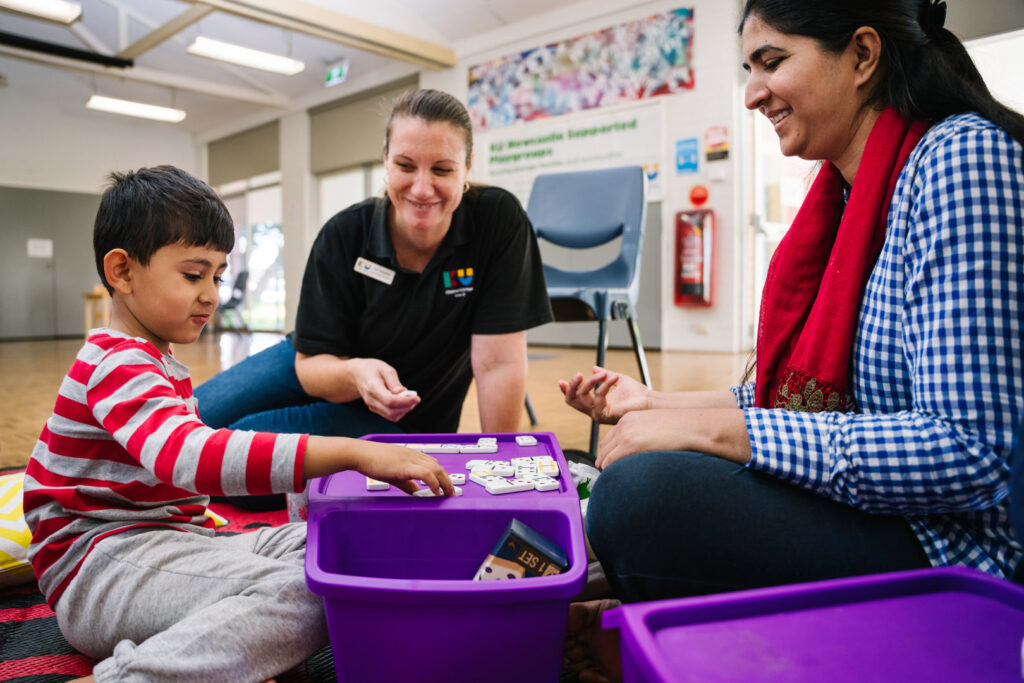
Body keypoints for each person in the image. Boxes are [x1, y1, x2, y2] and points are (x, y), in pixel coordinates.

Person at [562, 1, 1024, 679]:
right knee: (627, 484)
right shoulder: (843, 196)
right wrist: (655, 405)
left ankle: (659, 630)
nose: (752, 92)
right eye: (750, 68)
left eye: (772, 63)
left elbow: (970, 450)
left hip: (941, 544)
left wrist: (714, 436)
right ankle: (652, 625)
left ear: (864, 56)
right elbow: (784, 394)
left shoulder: (960, 160)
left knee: (640, 496)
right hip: (868, 508)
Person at [22, 166, 455, 682]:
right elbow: (193, 458)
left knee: (336, 549)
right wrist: (352, 451)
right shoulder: (116, 362)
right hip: (99, 567)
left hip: (170, 541)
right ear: (122, 272)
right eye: (193, 274)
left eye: (217, 275)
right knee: (312, 591)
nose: (211, 294)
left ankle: (228, 657)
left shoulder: (153, 361)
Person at [194, 89, 552, 513]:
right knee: (190, 420)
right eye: (404, 165)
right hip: (319, 362)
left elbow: (499, 363)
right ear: (385, 160)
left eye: (442, 169)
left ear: (467, 168)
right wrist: (357, 373)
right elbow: (310, 367)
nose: (422, 189)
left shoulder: (498, 221)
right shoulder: (345, 234)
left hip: (403, 418)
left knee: (231, 459)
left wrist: (501, 469)